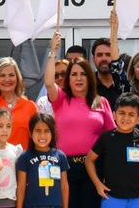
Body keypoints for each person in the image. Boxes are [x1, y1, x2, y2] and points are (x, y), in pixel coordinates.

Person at [45, 32, 116, 206]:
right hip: (64, 166)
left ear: (89, 77)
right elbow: (48, 82)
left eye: (83, 74)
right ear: (68, 79)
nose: (78, 78)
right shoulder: (61, 99)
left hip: (94, 167)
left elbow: (111, 138)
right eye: (74, 74)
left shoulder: (101, 102)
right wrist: (53, 52)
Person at [86, 93, 139, 208]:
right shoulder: (106, 138)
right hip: (112, 198)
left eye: (131, 114)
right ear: (114, 115)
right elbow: (89, 160)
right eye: (122, 113)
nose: (126, 118)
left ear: (138, 118)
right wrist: (98, 184)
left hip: (138, 198)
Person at [17, 113, 70, 208]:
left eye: (46, 131)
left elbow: (64, 186)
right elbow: (21, 187)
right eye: (38, 131)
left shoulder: (60, 156)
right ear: (30, 133)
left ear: (52, 133)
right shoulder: (25, 157)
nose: (42, 135)